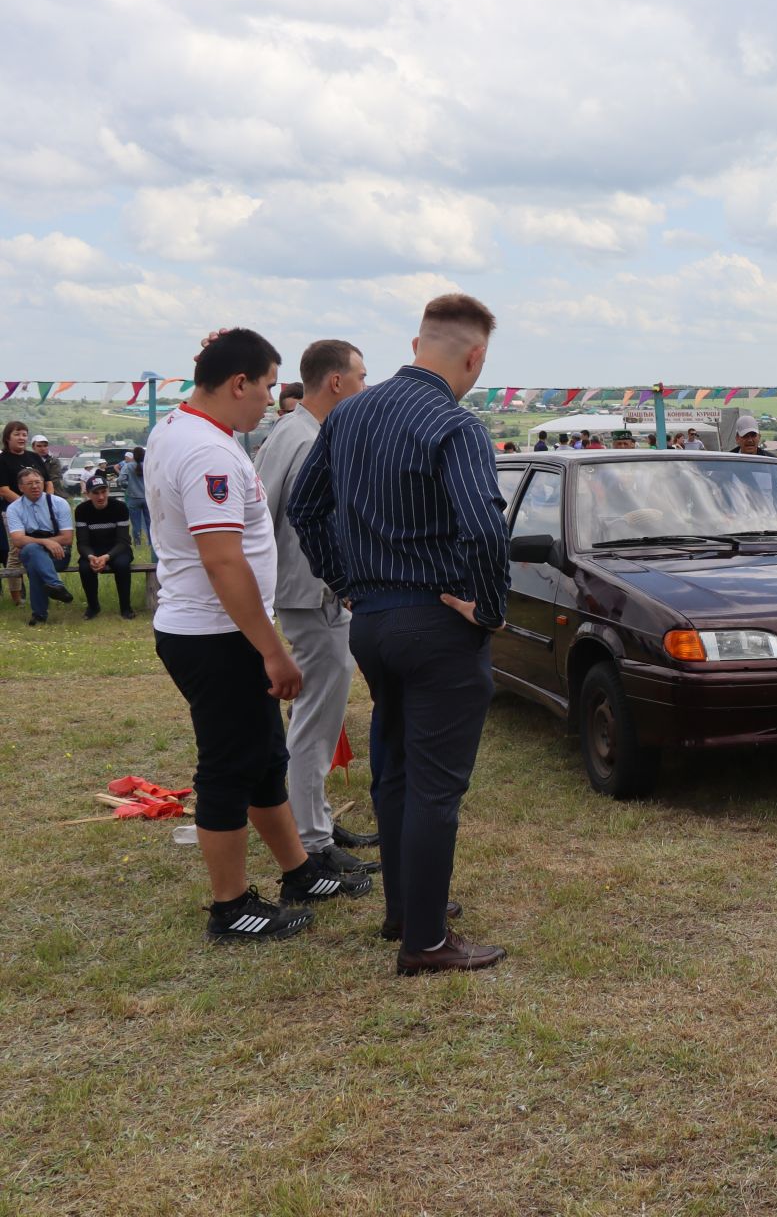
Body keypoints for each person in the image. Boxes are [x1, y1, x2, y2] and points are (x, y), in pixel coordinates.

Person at [288, 293, 509, 975]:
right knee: (436, 786)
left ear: (417, 345)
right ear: (474, 357)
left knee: (397, 770)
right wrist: (491, 611)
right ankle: (426, 943)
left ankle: (404, 911)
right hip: (436, 621)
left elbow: (305, 506)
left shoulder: (349, 412)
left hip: (372, 619)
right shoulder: (455, 424)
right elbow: (484, 528)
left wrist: (346, 580)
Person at [150, 328, 371, 945]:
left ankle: (298, 868)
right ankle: (231, 905)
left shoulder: (183, 431)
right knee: (229, 769)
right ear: (238, 383)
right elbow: (223, 561)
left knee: (265, 758)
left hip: (216, 629)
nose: (276, 401)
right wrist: (271, 649)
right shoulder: (209, 453)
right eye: (270, 386)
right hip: (217, 635)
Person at [256, 338, 377, 879]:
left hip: (313, 593)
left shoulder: (299, 431)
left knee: (322, 717)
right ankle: (311, 838)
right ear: (335, 382)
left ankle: (316, 819)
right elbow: (289, 521)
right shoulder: (303, 437)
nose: (364, 387)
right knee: (315, 720)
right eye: (360, 377)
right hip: (314, 595)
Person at [5, 468, 75, 623]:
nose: (35, 486)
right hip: (31, 551)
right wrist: (44, 541)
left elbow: (67, 538)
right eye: (29, 483)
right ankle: (55, 585)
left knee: (35, 566)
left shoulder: (59, 503)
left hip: (58, 553)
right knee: (32, 551)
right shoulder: (14, 508)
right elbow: (17, 540)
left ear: (43, 483)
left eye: (38, 482)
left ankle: (39, 615)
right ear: (20, 487)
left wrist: (50, 543)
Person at [72, 474, 134, 620]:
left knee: (122, 564)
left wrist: (107, 557)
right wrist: (91, 556)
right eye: (96, 493)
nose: (100, 497)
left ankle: (126, 607)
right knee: (85, 567)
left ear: (108, 491)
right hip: (93, 550)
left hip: (118, 549)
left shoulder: (120, 507)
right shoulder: (81, 510)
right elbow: (82, 543)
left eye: (103, 491)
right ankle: (93, 607)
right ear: (87, 494)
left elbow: (123, 540)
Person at [0, 420, 49, 604]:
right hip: (13, 511)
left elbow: (48, 481)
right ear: (7, 438)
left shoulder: (34, 457)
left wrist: (47, 503)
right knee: (16, 552)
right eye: (17, 434)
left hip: (41, 510)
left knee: (42, 547)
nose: (22, 438)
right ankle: (17, 598)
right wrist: (26, 505)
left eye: (24, 434)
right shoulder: (2, 459)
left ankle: (45, 591)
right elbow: (3, 489)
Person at [119, 445, 150, 548]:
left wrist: (127, 487)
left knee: (136, 523)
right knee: (149, 522)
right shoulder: (148, 465)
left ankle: (138, 544)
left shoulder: (127, 466)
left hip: (133, 498)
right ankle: (151, 543)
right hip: (147, 498)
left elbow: (121, 480)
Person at [34, 436, 66, 500]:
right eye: (39, 446)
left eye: (45, 446)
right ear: (33, 447)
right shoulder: (29, 460)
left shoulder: (54, 461)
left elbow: (54, 479)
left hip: (55, 494)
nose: (43, 448)